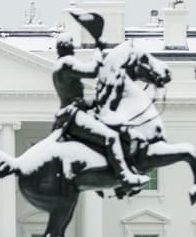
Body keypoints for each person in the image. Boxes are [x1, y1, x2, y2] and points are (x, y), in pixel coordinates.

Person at [50, 28, 149, 196]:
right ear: (67, 47)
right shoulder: (66, 63)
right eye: (71, 45)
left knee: (109, 133)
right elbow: (93, 71)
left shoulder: (59, 67)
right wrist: (98, 51)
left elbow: (75, 98)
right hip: (73, 117)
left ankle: (102, 178)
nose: (73, 48)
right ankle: (124, 177)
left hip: (71, 113)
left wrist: (93, 102)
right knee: (110, 137)